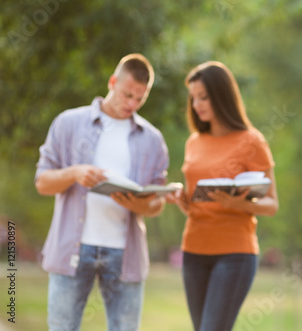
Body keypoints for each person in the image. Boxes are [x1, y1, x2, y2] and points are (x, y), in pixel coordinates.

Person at [35, 53, 170, 331]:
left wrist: (140, 204)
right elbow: (42, 182)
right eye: (127, 94)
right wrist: (74, 173)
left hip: (125, 253)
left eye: (139, 99)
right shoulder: (68, 123)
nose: (131, 104)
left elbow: (157, 205)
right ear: (112, 82)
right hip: (72, 248)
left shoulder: (153, 139)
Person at [169, 61, 279, 331]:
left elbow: (272, 204)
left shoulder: (252, 141)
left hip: (234, 253)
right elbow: (197, 205)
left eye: (203, 97)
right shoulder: (193, 142)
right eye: (194, 98)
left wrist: (239, 203)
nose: (197, 104)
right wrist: (181, 198)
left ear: (221, 95)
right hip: (194, 249)